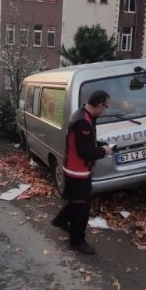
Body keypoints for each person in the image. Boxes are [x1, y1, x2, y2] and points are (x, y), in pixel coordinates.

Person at [50, 90, 112, 255]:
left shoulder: (82, 115)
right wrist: (103, 151)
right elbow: (85, 152)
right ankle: (76, 241)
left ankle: (61, 220)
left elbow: (85, 142)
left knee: (76, 201)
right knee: (82, 208)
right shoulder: (83, 122)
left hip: (75, 169)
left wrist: (101, 144)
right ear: (99, 105)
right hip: (78, 172)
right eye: (105, 106)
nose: (105, 110)